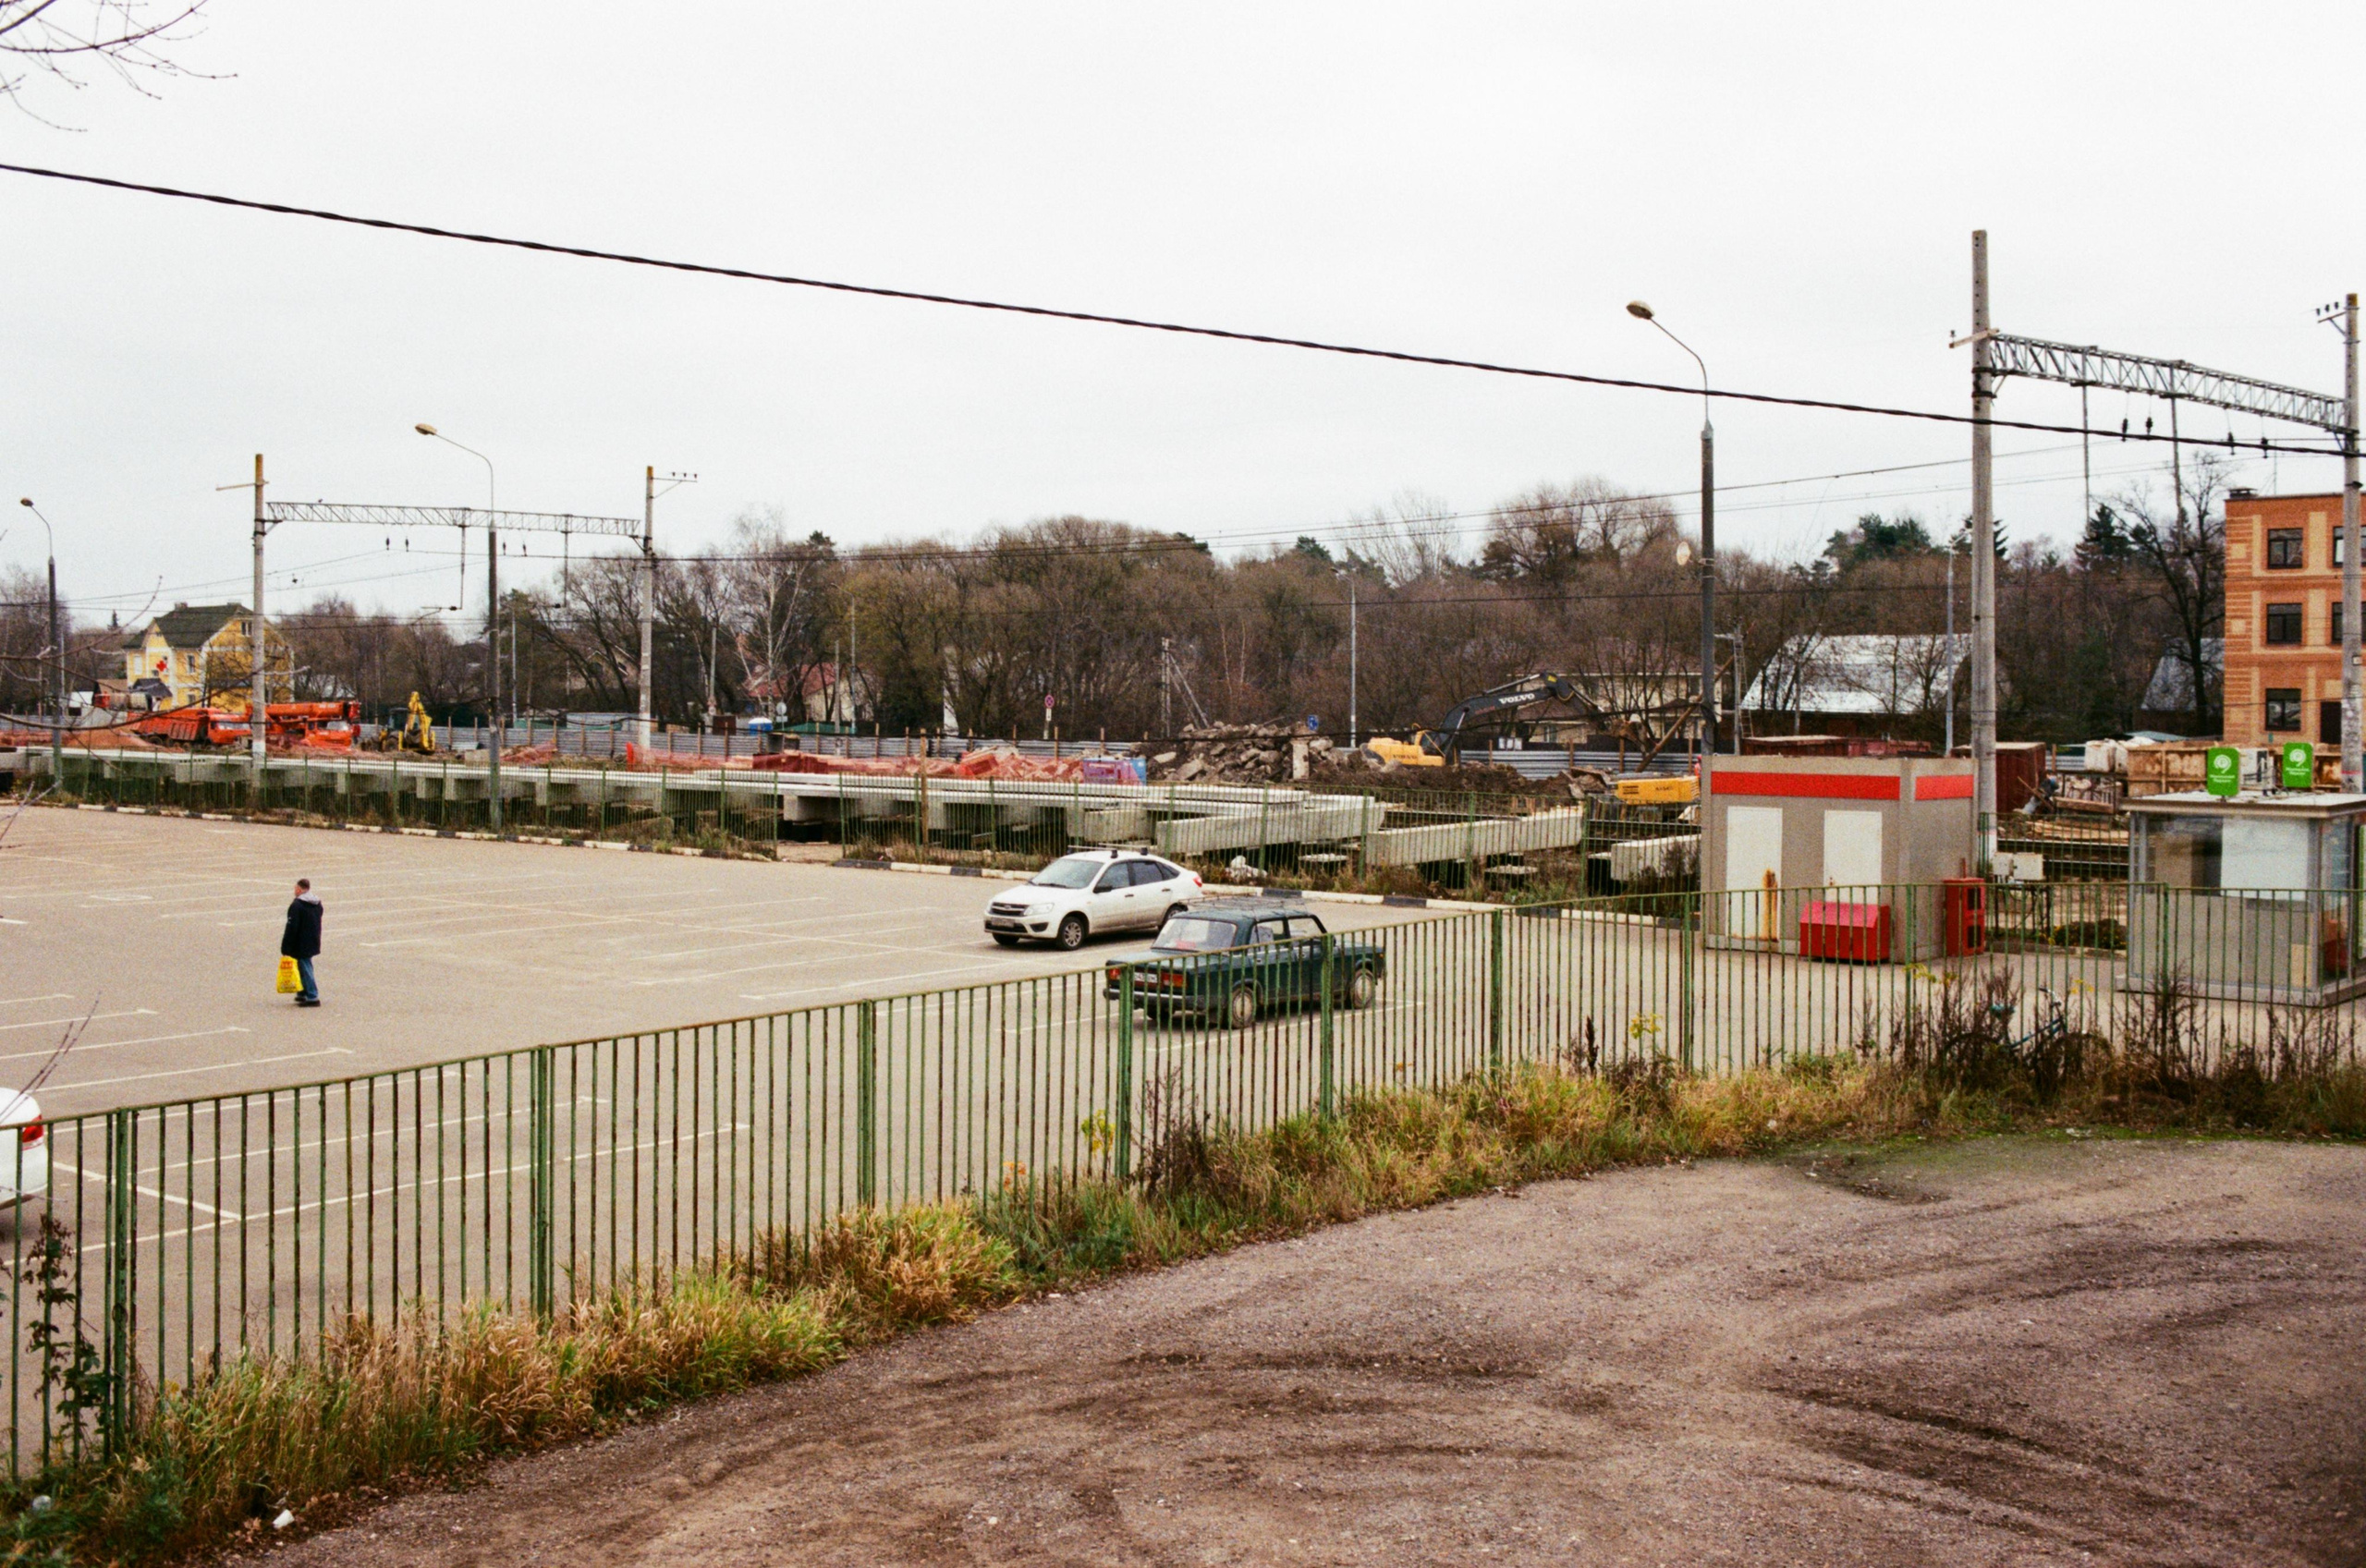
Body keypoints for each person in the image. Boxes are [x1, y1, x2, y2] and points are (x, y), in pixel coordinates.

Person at [281, 878, 323, 1007]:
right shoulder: (317, 903)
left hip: (301, 942)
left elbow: (292, 926)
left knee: (305, 967)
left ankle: (312, 995)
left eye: (295, 888)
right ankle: (302, 992)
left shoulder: (297, 905)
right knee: (303, 966)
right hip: (313, 939)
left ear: (299, 889)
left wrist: (286, 946)